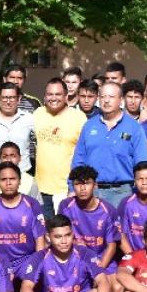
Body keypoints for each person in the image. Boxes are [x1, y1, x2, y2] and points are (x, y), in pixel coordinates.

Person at [72, 81, 147, 207]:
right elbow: (79, 160)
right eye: (103, 97)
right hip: (91, 191)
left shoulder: (134, 128)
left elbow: (141, 164)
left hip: (122, 193)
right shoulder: (89, 126)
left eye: (111, 97)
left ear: (121, 100)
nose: (106, 101)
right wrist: (72, 188)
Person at [58, 165, 122, 292]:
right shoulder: (65, 206)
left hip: (101, 259)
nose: (82, 188)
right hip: (75, 256)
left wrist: (98, 270)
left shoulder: (108, 210)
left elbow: (111, 246)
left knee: (117, 290)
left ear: (95, 185)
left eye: (87, 183)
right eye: (78, 184)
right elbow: (59, 236)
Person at [0, 162, 46, 278]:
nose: (8, 183)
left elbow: (40, 239)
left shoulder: (32, 204)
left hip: (25, 260)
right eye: (3, 179)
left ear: (19, 181)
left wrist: (37, 263)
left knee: (37, 277)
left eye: (12, 179)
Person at [34, 77, 87, 217]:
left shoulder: (79, 117)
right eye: (50, 94)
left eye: (58, 94)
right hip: (40, 187)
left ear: (66, 96)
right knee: (43, 232)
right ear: (45, 96)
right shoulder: (37, 114)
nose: (53, 98)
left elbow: (85, 153)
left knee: (63, 232)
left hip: (65, 189)